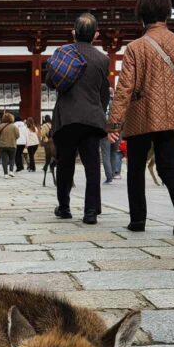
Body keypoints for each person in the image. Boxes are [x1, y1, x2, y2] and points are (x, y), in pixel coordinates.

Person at [108, 0, 174, 235]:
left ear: (142, 14)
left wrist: (114, 123)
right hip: (172, 115)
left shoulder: (135, 47)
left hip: (141, 114)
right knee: (168, 165)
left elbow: (125, 88)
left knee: (136, 168)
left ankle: (138, 220)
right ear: (167, 12)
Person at [51, 12, 109, 224]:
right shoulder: (103, 59)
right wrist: (101, 112)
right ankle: (90, 212)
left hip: (67, 118)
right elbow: (103, 92)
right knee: (92, 166)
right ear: (96, 34)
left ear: (73, 32)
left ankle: (64, 207)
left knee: (65, 164)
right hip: (92, 118)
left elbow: (51, 81)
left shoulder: (62, 53)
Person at [0, 111, 19, 177]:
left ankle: (5, 174)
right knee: (12, 158)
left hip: (2, 145)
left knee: (4, 159)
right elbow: (18, 135)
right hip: (12, 144)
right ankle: (11, 171)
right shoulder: (14, 126)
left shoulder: (0, 126)